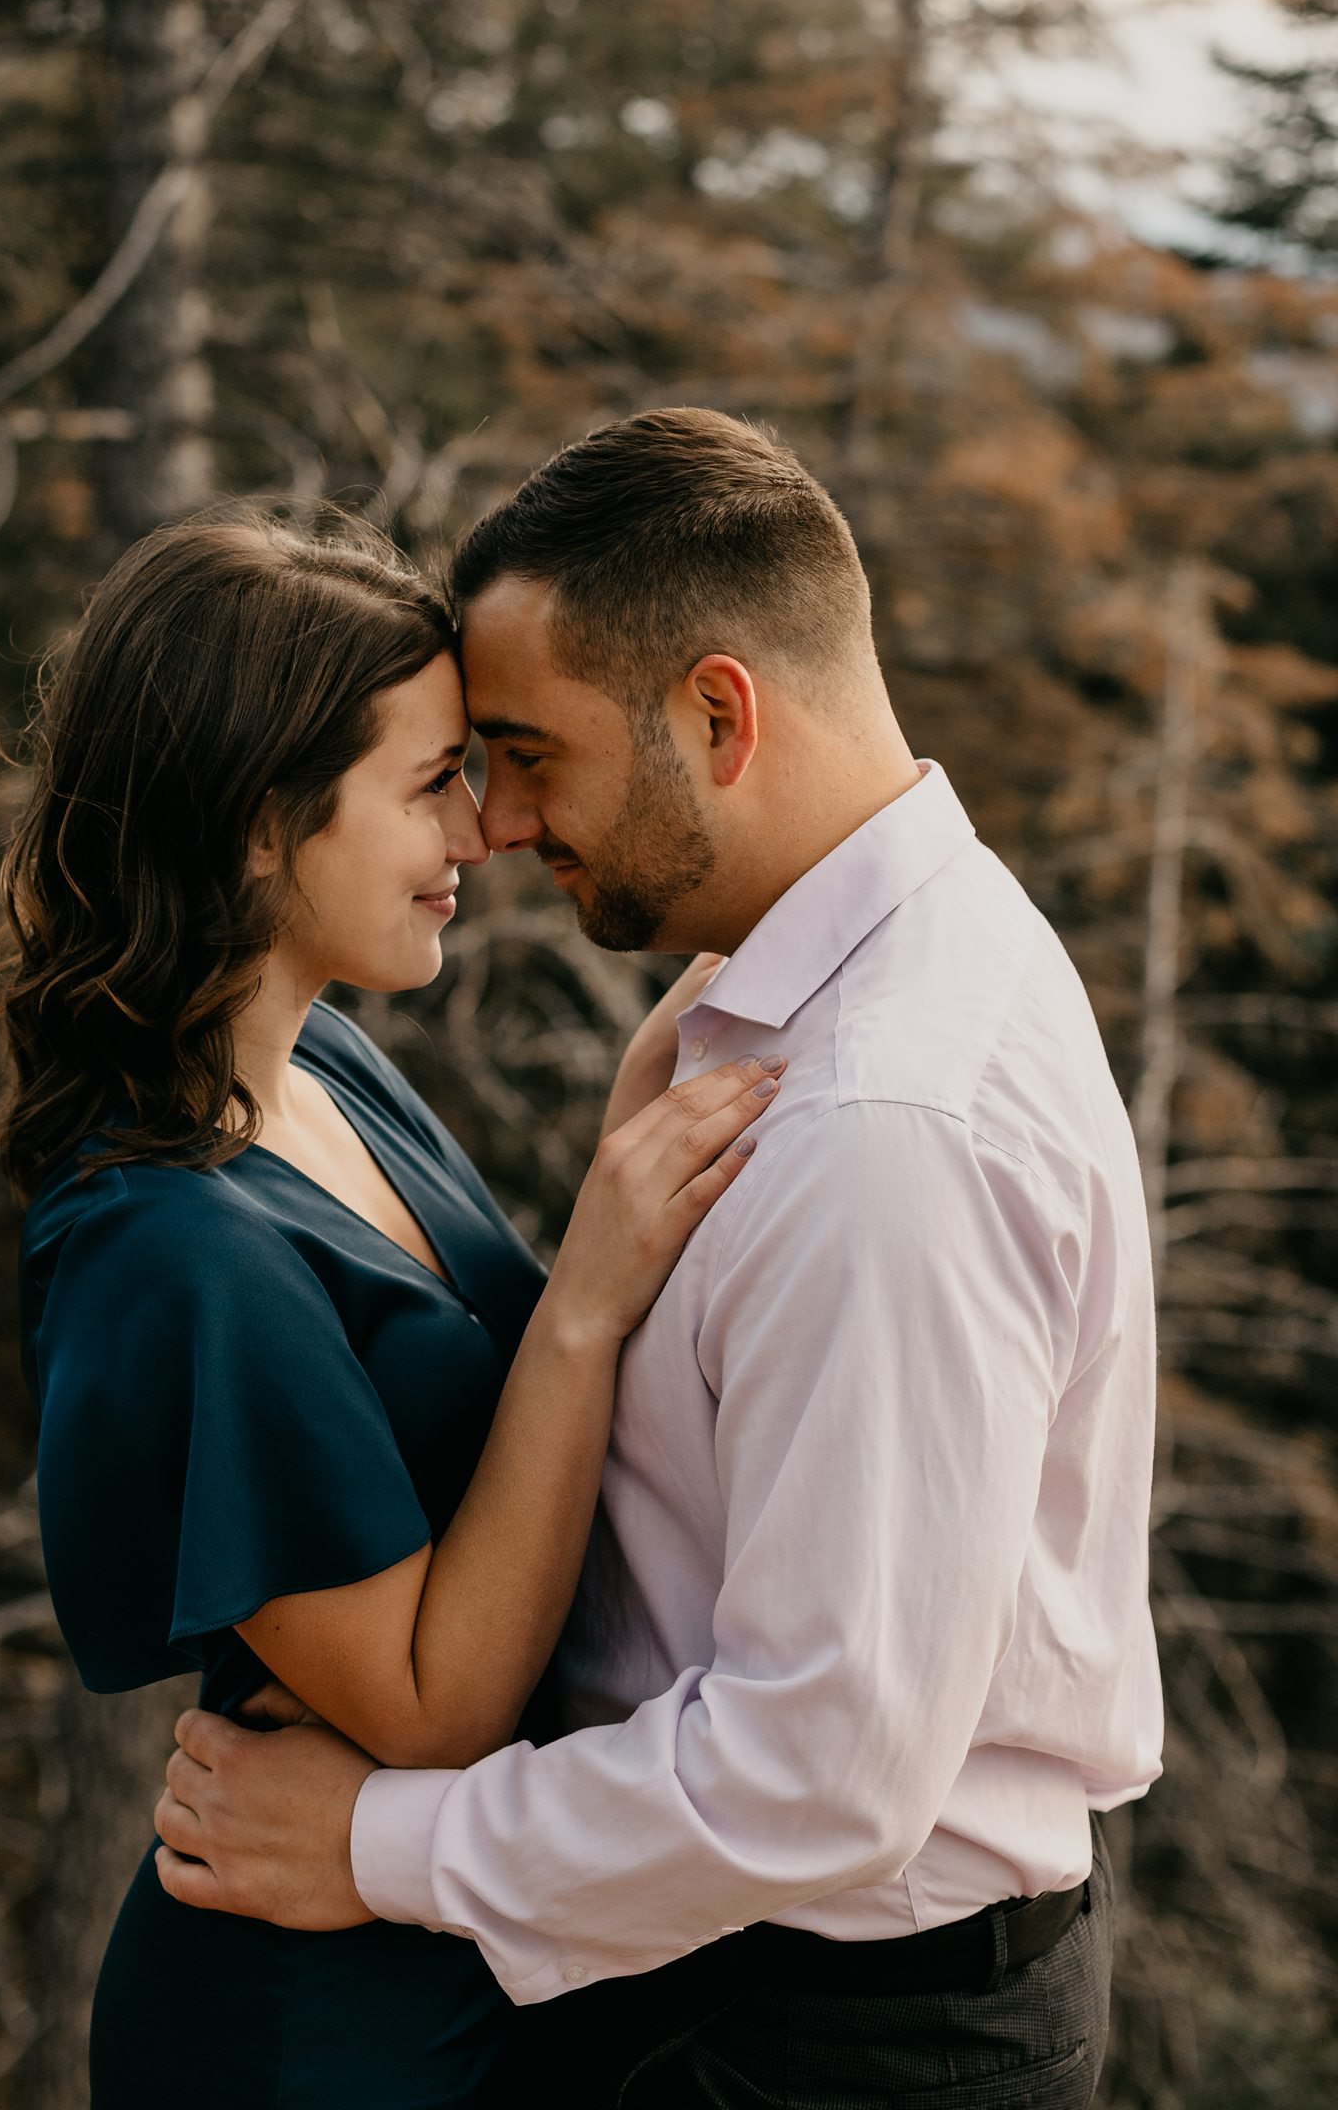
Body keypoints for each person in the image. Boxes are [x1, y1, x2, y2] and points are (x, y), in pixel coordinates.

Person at [155, 409, 1164, 2110]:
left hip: (815, 2038)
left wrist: (382, 1843)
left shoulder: (881, 1127)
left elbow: (821, 1772)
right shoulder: (866, 969)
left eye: (532, 753)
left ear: (719, 712)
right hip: (751, 1976)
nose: (500, 821)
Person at [0, 507, 781, 2108]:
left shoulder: (328, 1067)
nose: (483, 833)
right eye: (433, 784)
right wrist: (583, 1304)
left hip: (455, 1948)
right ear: (263, 828)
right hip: (308, 2027)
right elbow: (431, 1710)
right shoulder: (176, 1248)